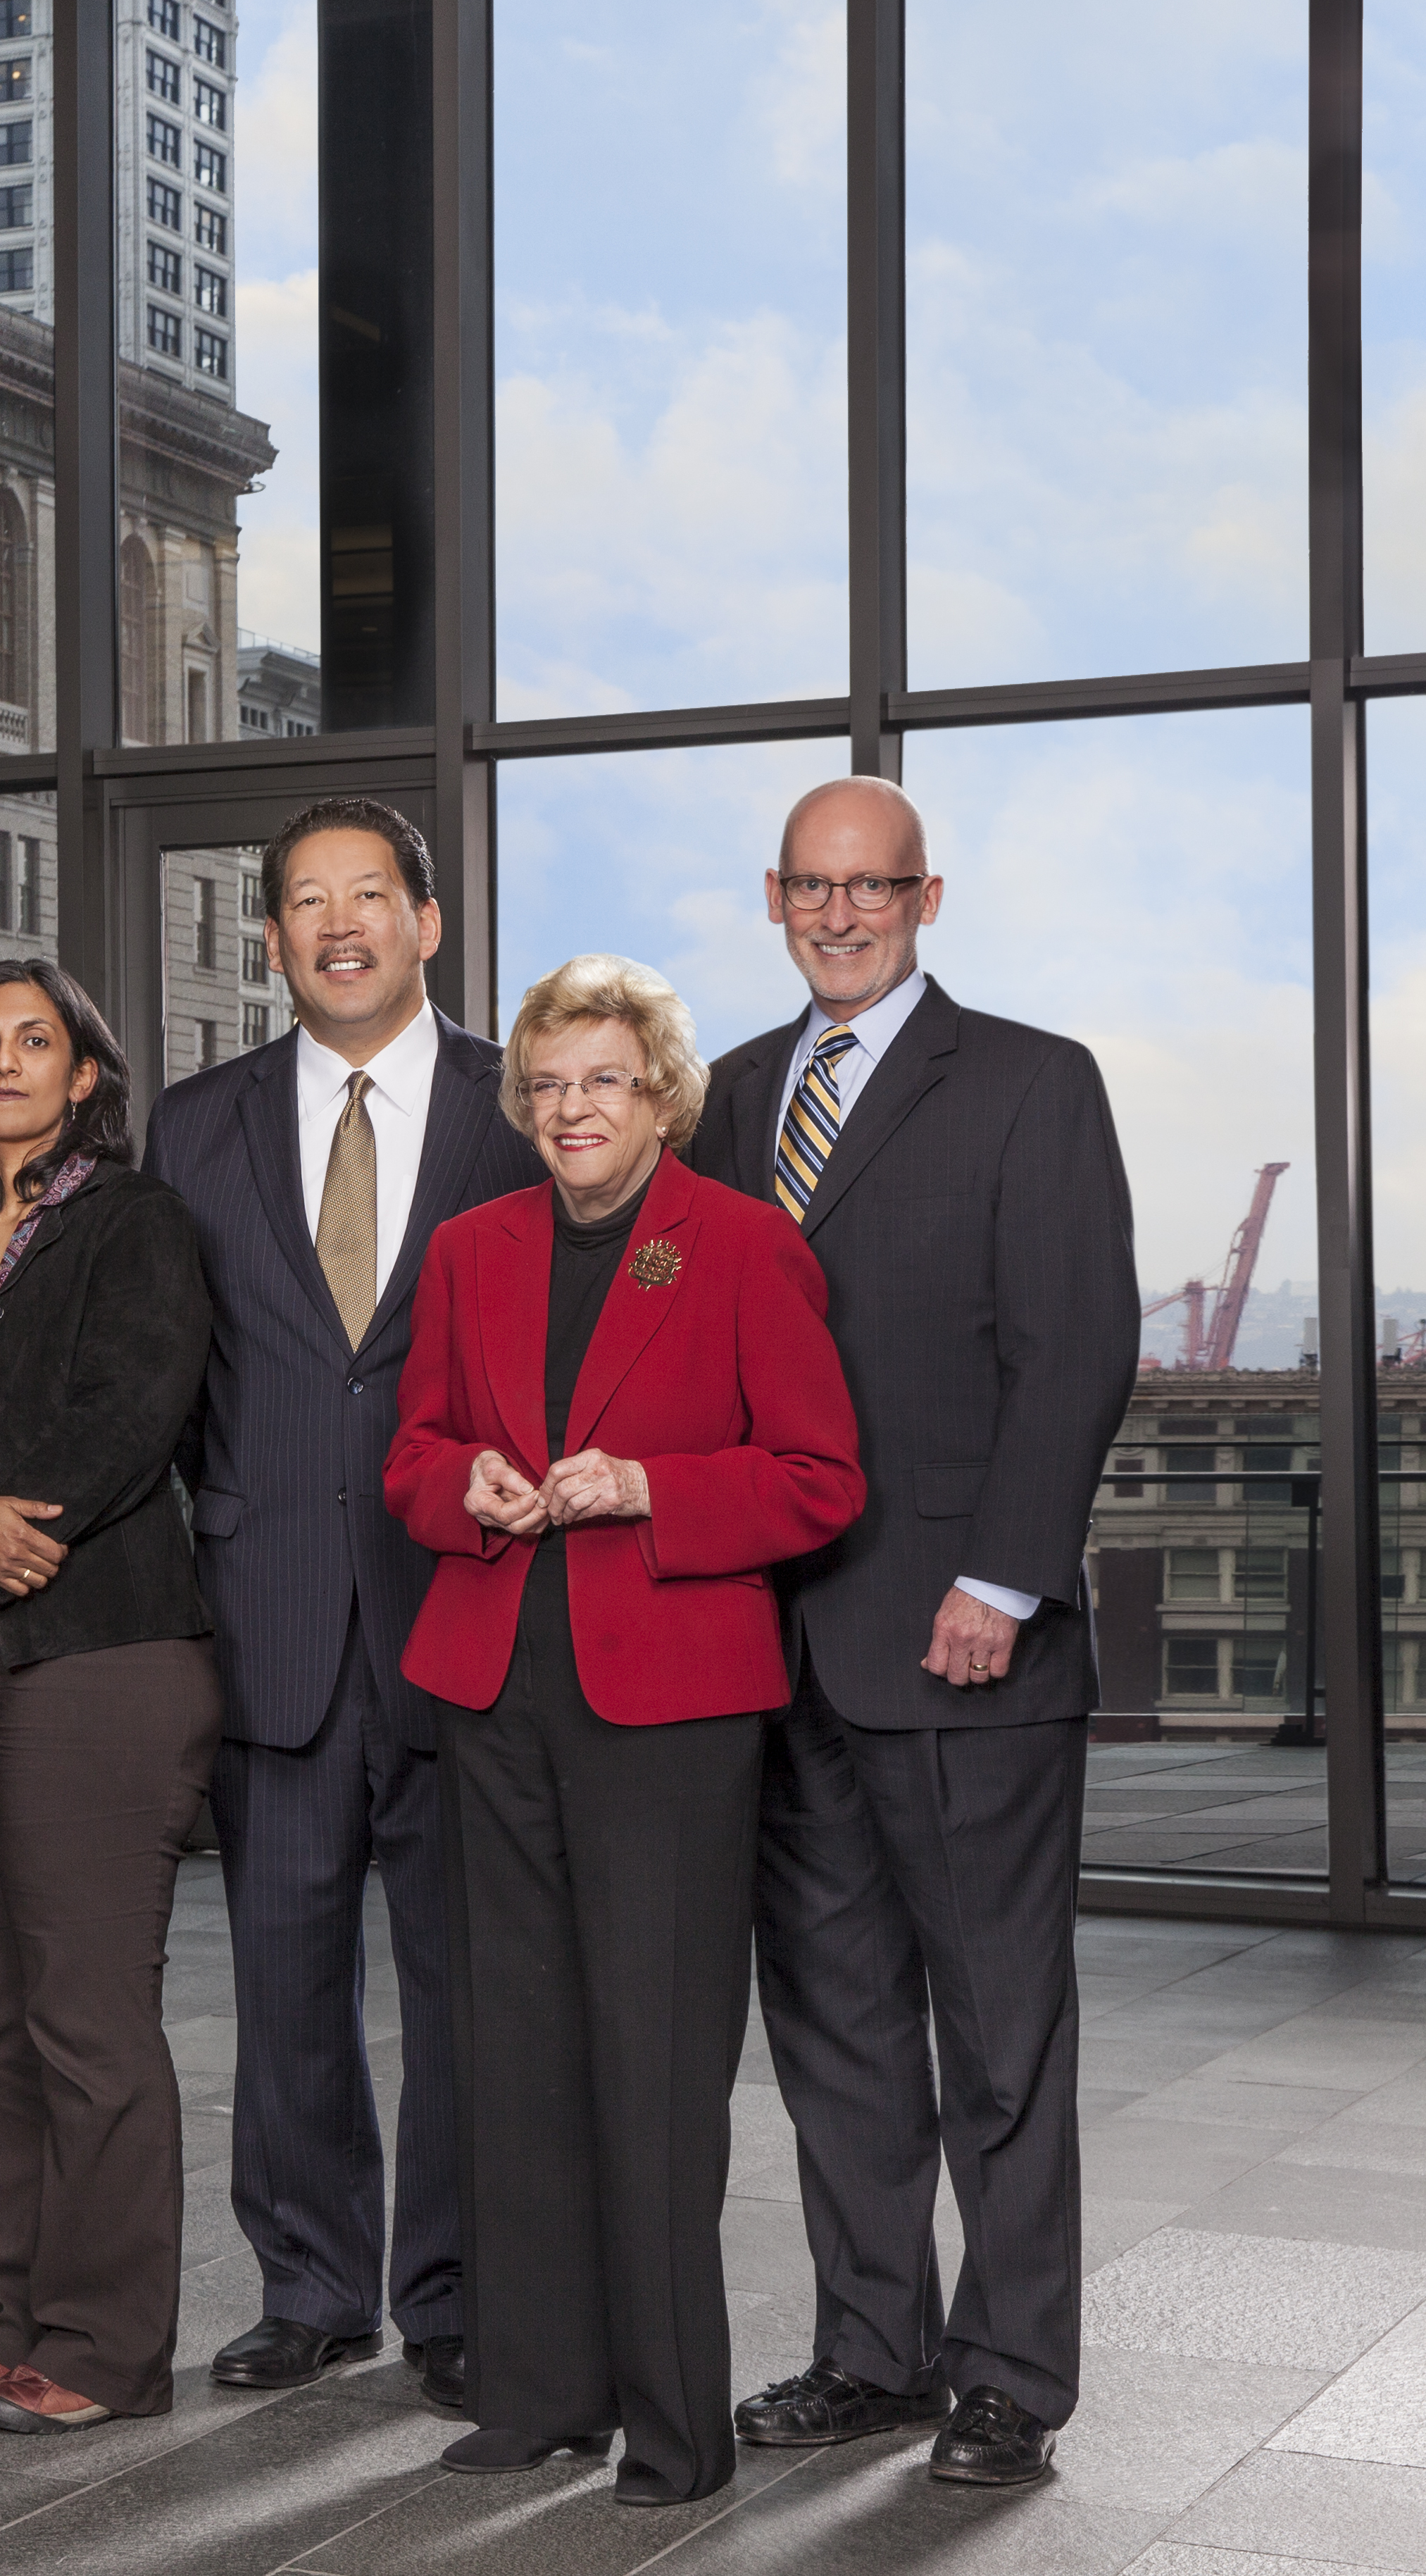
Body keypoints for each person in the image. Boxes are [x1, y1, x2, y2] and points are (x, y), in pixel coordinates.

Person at [689, 777, 1135, 2489]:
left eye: (871, 887)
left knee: (999, 2029)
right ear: (779, 896)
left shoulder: (1031, 1081)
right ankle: (874, 2351)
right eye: (812, 885)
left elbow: (1078, 1340)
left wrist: (1005, 1581)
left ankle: (1012, 2373)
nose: (840, 913)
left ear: (925, 897)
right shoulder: (731, 1097)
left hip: (965, 1639)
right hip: (779, 1648)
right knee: (836, 2027)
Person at [383, 955, 863, 2509]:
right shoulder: (471, 1248)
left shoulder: (740, 1245)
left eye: (603, 1080)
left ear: (660, 1094)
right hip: (495, 1684)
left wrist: (649, 1488)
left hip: (667, 1707)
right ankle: (536, 2398)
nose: (571, 1109)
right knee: (510, 2056)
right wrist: (462, 1485)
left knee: (654, 2067)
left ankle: (674, 2423)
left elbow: (817, 1478)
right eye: (547, 1083)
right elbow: (414, 1451)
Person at [143, 799, 523, 2417]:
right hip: (273, 1608)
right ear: (276, 938)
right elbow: (172, 1372)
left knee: (466, 1987)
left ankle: (451, 2293)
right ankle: (311, 2285)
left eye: (369, 893)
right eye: (305, 901)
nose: (338, 922)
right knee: (286, 1981)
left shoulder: (533, 1105)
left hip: (475, 1609)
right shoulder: (196, 1121)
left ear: (428, 923)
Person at [0, 961, 219, 2437]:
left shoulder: (137, 1225)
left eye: (39, 1041)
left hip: (103, 1654)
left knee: (88, 2016)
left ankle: (103, 2346)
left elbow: (129, 1421)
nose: (8, 1062)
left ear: (87, 1073)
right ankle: (10, 2317)